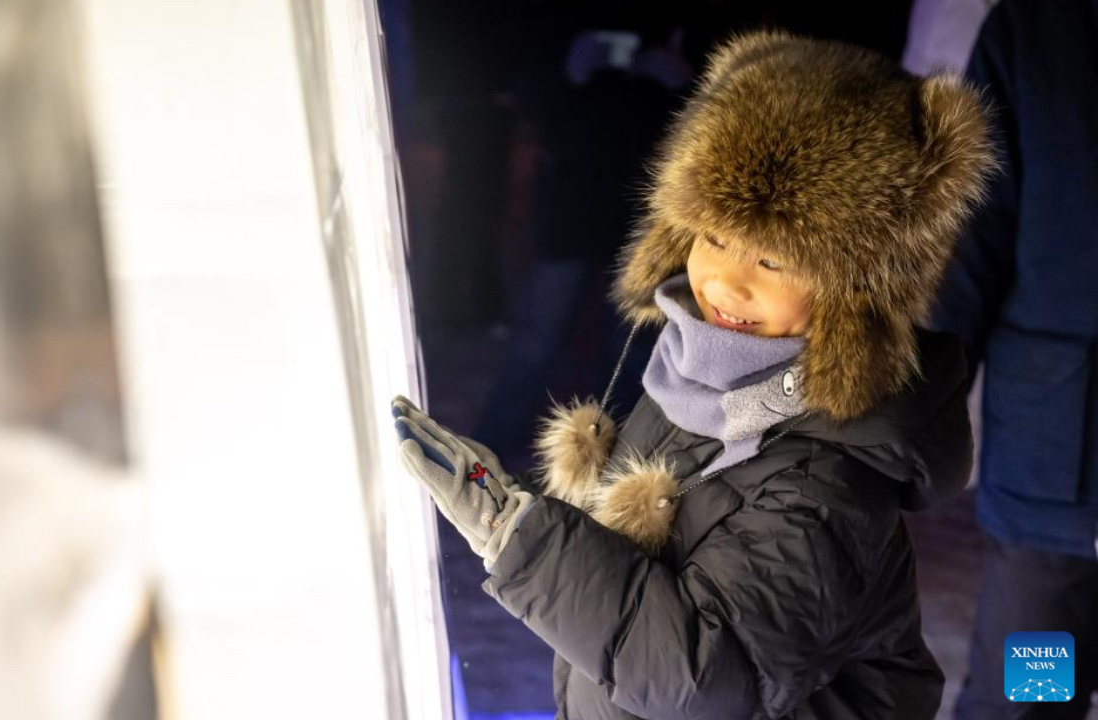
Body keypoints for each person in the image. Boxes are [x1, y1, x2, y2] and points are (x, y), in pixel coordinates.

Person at [393, 28, 995, 720]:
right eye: (716, 237)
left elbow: (705, 676)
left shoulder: (827, 488)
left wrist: (520, 537)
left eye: (773, 260)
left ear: (856, 290)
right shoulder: (693, 366)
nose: (727, 285)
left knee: (1044, 646)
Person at [922, 1, 1098, 717]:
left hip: (1051, 453)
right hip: (1053, 484)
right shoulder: (1041, 30)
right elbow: (977, 235)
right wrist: (909, 412)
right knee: (1031, 700)